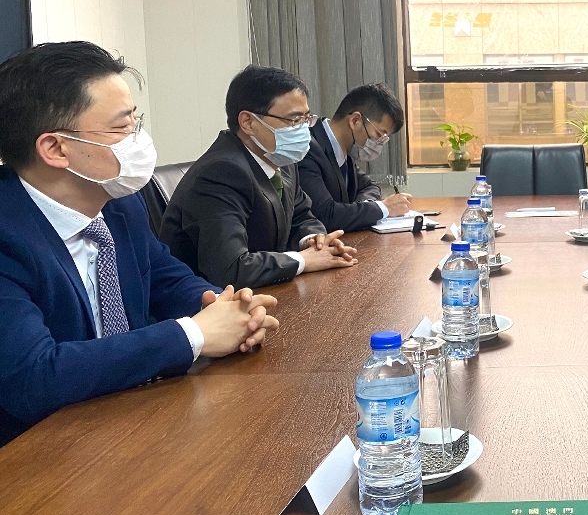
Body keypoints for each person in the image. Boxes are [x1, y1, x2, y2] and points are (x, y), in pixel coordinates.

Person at [0, 42, 279, 444]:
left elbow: (166, 278)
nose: (138, 139)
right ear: (56, 148)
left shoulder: (119, 204)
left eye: (137, 121)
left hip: (129, 421)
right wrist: (193, 335)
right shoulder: (7, 235)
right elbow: (33, 377)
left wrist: (224, 309)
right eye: (121, 128)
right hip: (39, 451)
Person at [160, 65, 358, 290]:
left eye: (306, 119)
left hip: (265, 290)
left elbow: (302, 215)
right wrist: (303, 260)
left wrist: (313, 240)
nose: (303, 130)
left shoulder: (281, 159)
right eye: (294, 120)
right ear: (248, 122)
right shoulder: (222, 172)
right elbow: (231, 269)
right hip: (210, 301)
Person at [298, 83, 413, 233]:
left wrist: (363, 207)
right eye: (379, 134)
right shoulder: (307, 149)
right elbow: (325, 215)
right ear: (355, 121)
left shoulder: (345, 150)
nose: (378, 143)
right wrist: (383, 208)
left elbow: (370, 186)